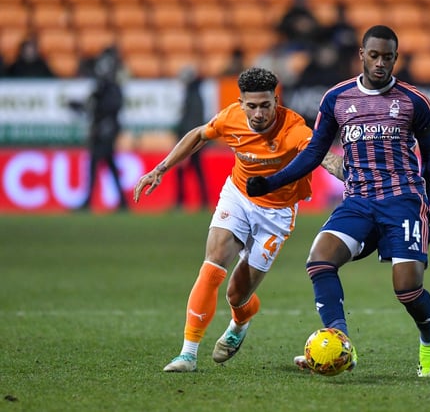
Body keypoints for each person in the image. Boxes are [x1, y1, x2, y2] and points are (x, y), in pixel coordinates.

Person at [246, 25, 430, 378]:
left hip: (403, 202)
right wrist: (272, 182)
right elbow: (314, 153)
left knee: (408, 291)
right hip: (358, 202)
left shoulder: (415, 102)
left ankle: (429, 338)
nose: (381, 63)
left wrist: (422, 205)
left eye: (388, 57)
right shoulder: (336, 98)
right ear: (362, 55)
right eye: (374, 55)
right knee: (319, 261)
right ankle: (341, 345)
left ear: (396, 58)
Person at [133, 67, 345, 372]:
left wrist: (349, 172)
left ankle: (240, 320)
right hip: (239, 197)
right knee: (213, 261)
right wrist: (160, 169)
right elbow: (198, 135)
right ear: (241, 102)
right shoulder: (230, 117)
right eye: (252, 106)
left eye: (265, 105)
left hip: (277, 214)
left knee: (237, 294)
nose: (258, 114)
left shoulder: (294, 129)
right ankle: (188, 354)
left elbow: (325, 157)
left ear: (276, 100)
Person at [69, 49, 127, 211]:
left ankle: (89, 202)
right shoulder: (104, 88)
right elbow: (92, 107)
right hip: (102, 133)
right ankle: (123, 202)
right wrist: (77, 105)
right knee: (109, 167)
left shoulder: (110, 88)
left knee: (96, 166)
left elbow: (110, 107)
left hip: (105, 134)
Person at [174, 65, 209, 210]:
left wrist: (186, 142)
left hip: (190, 141)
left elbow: (191, 121)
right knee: (197, 170)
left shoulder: (192, 95)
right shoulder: (196, 93)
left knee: (182, 170)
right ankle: (203, 200)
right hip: (195, 139)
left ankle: (181, 200)